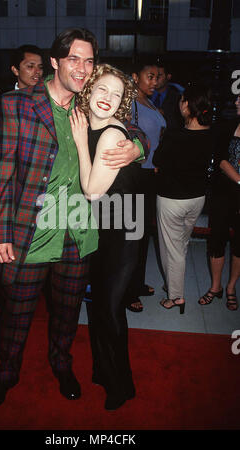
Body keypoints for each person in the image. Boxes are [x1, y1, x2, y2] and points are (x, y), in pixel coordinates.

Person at [0, 27, 148, 412]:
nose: (83, 68)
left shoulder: (90, 105)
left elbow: (127, 121)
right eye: (74, 58)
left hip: (76, 235)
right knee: (16, 314)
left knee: (68, 313)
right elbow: (0, 173)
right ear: (54, 61)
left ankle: (62, 364)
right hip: (28, 234)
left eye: (89, 60)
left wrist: (137, 144)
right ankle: (6, 373)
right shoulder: (14, 106)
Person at [70, 63, 147, 410]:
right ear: (89, 89)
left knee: (112, 309)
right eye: (103, 89)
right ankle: (104, 370)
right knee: (100, 306)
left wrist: (79, 143)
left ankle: (123, 385)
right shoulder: (88, 120)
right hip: (102, 231)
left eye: (117, 94)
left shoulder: (114, 133)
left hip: (125, 232)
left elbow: (91, 189)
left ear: (123, 103)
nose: (108, 98)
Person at [0, 45, 44, 296]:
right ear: (15, 69)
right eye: (30, 66)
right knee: (8, 274)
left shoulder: (52, 102)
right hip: (9, 197)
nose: (36, 72)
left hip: (40, 202)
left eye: (40, 67)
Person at [153, 84, 214, 313]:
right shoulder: (210, 134)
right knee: (181, 245)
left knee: (172, 250)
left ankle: (176, 297)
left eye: (181, 101)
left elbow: (158, 159)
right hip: (197, 199)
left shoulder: (174, 135)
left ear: (187, 105)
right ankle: (173, 282)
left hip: (172, 200)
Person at [124, 59, 167, 312]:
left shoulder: (150, 103)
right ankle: (128, 290)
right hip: (137, 175)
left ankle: (137, 283)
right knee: (133, 236)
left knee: (143, 235)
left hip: (151, 176)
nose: (155, 81)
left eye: (158, 76)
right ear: (135, 77)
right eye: (149, 76)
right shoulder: (129, 104)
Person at [198, 95, 240, 311]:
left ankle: (231, 287)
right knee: (217, 240)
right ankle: (216, 287)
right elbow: (221, 159)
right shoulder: (227, 126)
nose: (236, 102)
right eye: (238, 98)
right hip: (224, 193)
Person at [151, 61, 184, 130]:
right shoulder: (145, 95)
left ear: (168, 77)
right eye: (153, 76)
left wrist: (164, 115)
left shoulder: (177, 98)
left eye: (159, 76)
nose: (155, 79)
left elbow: (179, 124)